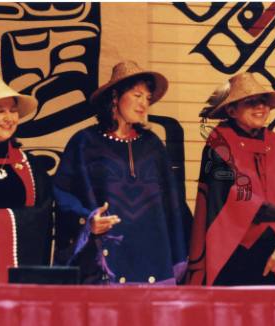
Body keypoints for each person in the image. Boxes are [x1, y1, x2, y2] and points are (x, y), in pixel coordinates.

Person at [52, 60, 188, 285]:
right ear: (115, 97)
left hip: (153, 263)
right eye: (137, 95)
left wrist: (179, 254)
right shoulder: (85, 142)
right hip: (104, 265)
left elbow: (173, 205)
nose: (144, 103)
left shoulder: (153, 145)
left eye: (147, 98)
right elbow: (62, 193)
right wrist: (88, 221)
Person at [186, 72, 275, 286]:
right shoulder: (218, 144)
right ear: (231, 110)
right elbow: (230, 197)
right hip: (233, 256)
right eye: (251, 102)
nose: (260, 107)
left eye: (264, 102)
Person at [0, 73, 53, 284]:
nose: (9, 118)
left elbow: (44, 212)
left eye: (13, 110)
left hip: (20, 272)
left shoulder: (30, 165)